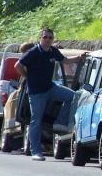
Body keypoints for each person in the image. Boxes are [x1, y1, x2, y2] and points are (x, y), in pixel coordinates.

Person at [15, 28, 87, 162]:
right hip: (36, 92)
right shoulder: (33, 52)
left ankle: (60, 122)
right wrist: (27, 77)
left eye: (50, 38)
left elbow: (64, 60)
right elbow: (17, 66)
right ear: (40, 38)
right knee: (36, 120)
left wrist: (78, 58)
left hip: (50, 87)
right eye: (45, 37)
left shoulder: (53, 51)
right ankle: (36, 151)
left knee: (74, 97)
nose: (47, 40)